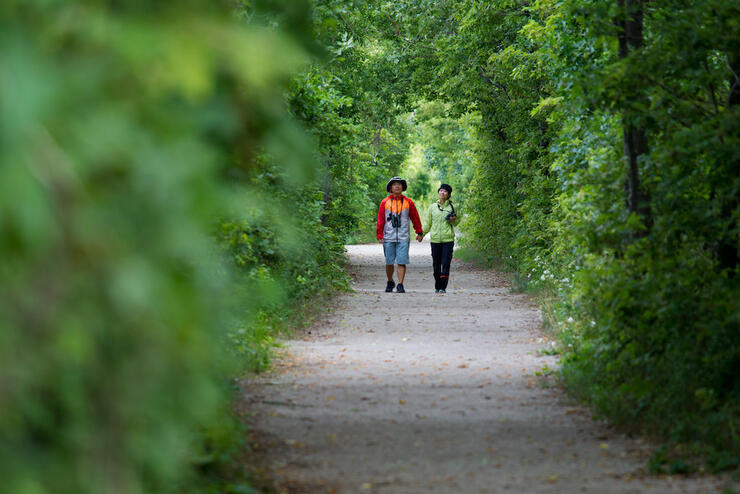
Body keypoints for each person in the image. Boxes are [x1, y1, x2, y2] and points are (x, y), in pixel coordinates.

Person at [377, 177, 423, 293]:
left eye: (399, 184)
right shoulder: (384, 202)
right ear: (390, 188)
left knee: (401, 261)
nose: (397, 186)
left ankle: (400, 284)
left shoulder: (409, 202)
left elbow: (415, 217)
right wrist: (379, 234)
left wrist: (419, 232)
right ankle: (390, 281)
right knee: (389, 262)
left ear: (402, 187)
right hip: (388, 237)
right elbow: (380, 220)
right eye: (394, 185)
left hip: (403, 237)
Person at [423, 183, 460, 293]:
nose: (442, 192)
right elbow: (428, 224)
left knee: (446, 263)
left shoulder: (453, 207)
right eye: (440, 190)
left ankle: (443, 287)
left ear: (448, 194)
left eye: (445, 191)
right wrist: (421, 234)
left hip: (448, 240)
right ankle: (437, 285)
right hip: (435, 240)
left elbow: (457, 222)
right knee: (436, 264)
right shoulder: (432, 207)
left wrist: (453, 220)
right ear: (438, 192)